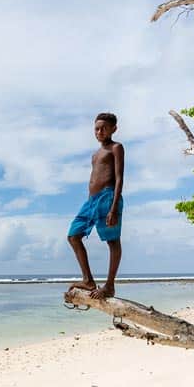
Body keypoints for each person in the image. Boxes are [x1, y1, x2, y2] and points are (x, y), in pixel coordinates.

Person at [68, 112, 125, 299]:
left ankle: (109, 286)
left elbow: (119, 178)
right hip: (91, 201)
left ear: (113, 129)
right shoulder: (95, 154)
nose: (99, 131)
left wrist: (113, 207)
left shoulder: (116, 148)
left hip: (108, 197)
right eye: (97, 129)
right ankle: (88, 280)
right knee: (73, 236)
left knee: (113, 241)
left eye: (104, 128)